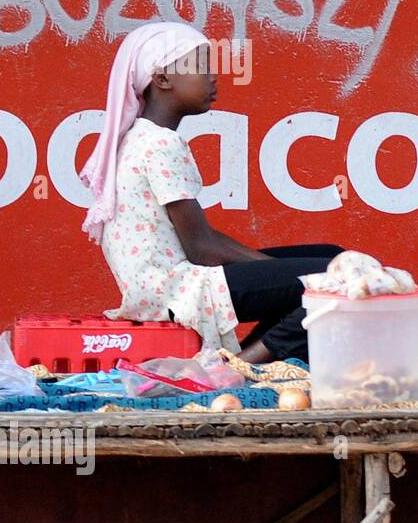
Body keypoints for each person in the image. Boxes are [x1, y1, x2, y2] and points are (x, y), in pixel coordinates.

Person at [81, 22, 343, 364]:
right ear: (162, 79)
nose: (213, 77)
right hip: (176, 290)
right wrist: (288, 274)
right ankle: (240, 366)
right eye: (201, 68)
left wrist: (284, 272)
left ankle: (244, 356)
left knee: (332, 256)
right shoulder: (159, 143)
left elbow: (201, 242)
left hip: (170, 280)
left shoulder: (144, 137)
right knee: (335, 281)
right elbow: (202, 248)